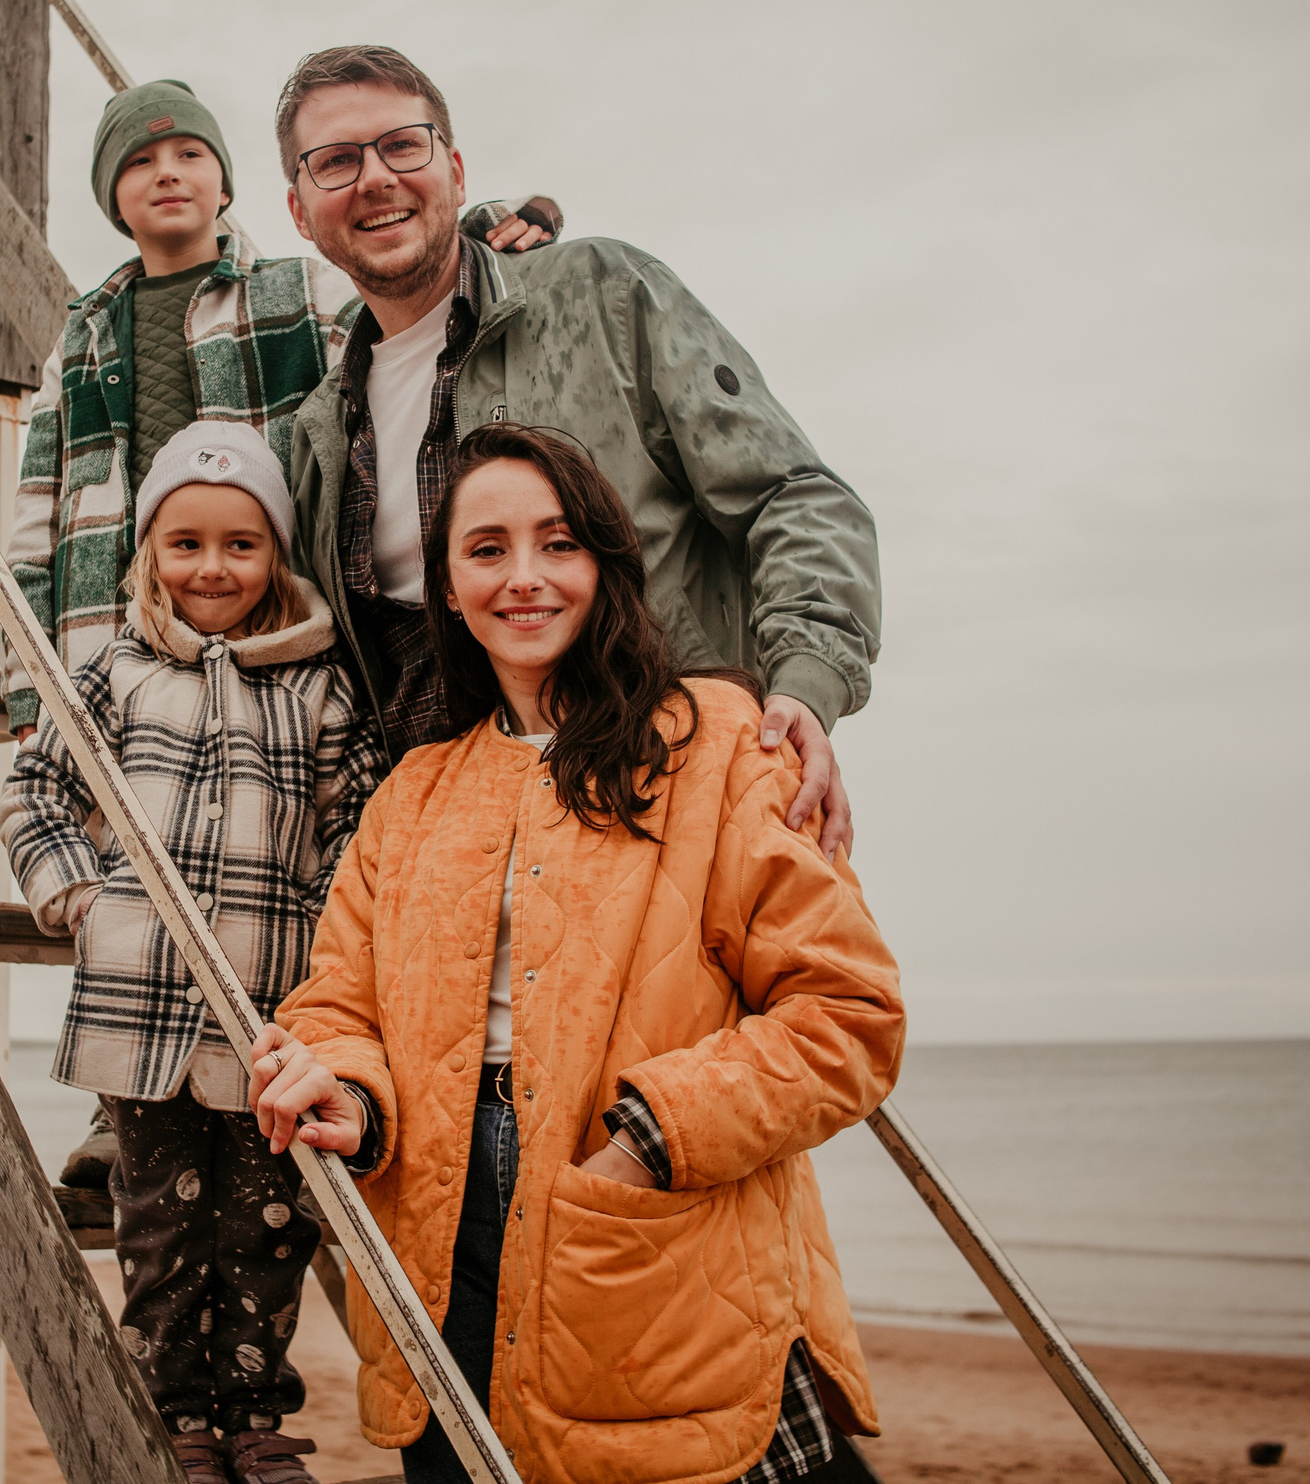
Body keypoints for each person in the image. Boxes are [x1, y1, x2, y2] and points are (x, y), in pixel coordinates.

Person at [248, 425, 904, 1484]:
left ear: (604, 563)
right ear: (448, 590)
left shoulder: (717, 742)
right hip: (431, 1241)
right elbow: (339, 1008)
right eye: (486, 549)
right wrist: (349, 1095)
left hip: (658, 1216)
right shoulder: (412, 793)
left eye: (557, 544)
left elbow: (848, 1016)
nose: (524, 578)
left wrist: (646, 1138)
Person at [1, 77, 556, 1188]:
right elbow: (37, 495)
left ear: (228, 182)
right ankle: (134, 1104)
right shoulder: (85, 328)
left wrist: (493, 239)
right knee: (137, 862)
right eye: (139, 161)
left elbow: (393, 324)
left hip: (258, 620)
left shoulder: (288, 286)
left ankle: (294, 1065)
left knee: (248, 854)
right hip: (114, 622)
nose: (167, 173)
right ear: (113, 198)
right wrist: (28, 680)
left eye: (190, 154)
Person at [275, 46, 879, 858]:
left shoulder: (605, 295)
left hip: (670, 821)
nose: (376, 177)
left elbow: (794, 496)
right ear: (299, 210)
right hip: (461, 878)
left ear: (454, 169)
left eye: (402, 145)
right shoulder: (317, 435)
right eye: (336, 161)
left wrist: (806, 684)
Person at [0, 422, 389, 1484]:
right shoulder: (115, 670)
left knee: (267, 1227)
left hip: (271, 1010)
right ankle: (179, 1418)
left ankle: (256, 1416)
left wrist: (323, 938)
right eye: (185, 545)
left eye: (239, 545)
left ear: (276, 556)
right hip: (138, 1014)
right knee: (160, 1231)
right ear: (147, 554)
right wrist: (75, 895)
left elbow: (358, 823)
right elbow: (35, 790)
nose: (211, 568)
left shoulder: (318, 683)